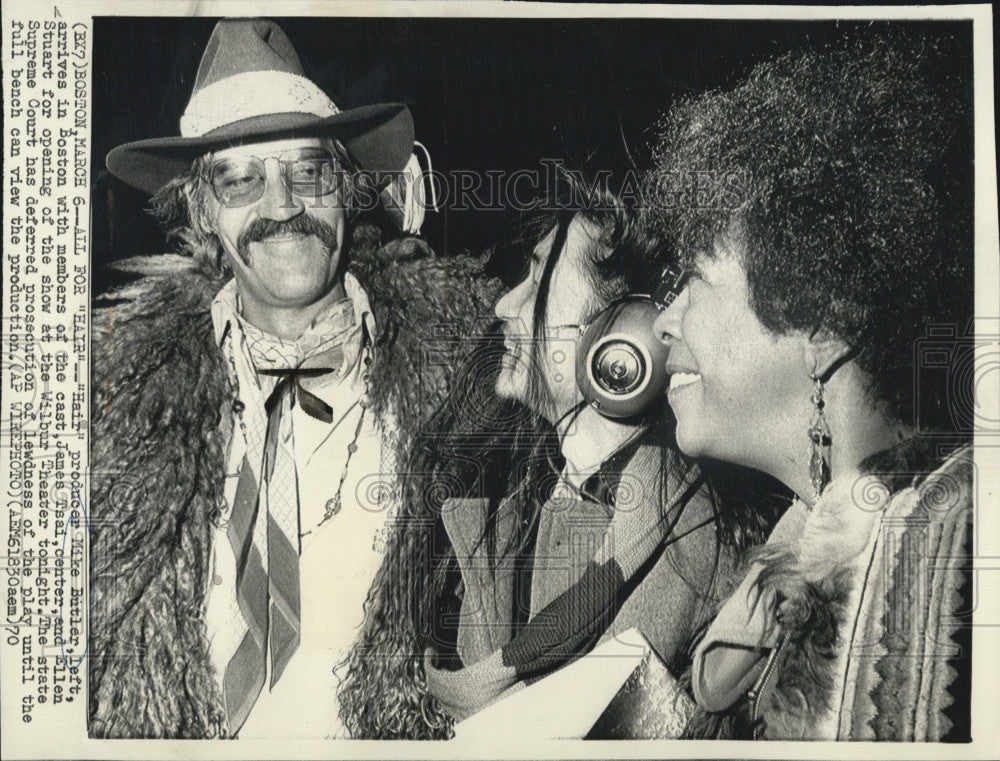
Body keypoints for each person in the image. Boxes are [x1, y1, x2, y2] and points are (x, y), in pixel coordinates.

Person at [89, 19, 499, 739]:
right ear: (201, 209)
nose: (282, 206)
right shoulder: (109, 409)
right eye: (240, 179)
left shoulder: (475, 382)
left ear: (347, 188)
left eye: (309, 172)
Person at [337, 176, 784, 738]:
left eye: (539, 273)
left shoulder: (697, 547)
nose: (505, 304)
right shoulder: (508, 509)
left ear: (628, 333)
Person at [647, 32, 973, 741]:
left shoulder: (945, 563)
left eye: (696, 278)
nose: (665, 321)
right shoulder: (828, 543)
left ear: (823, 322)